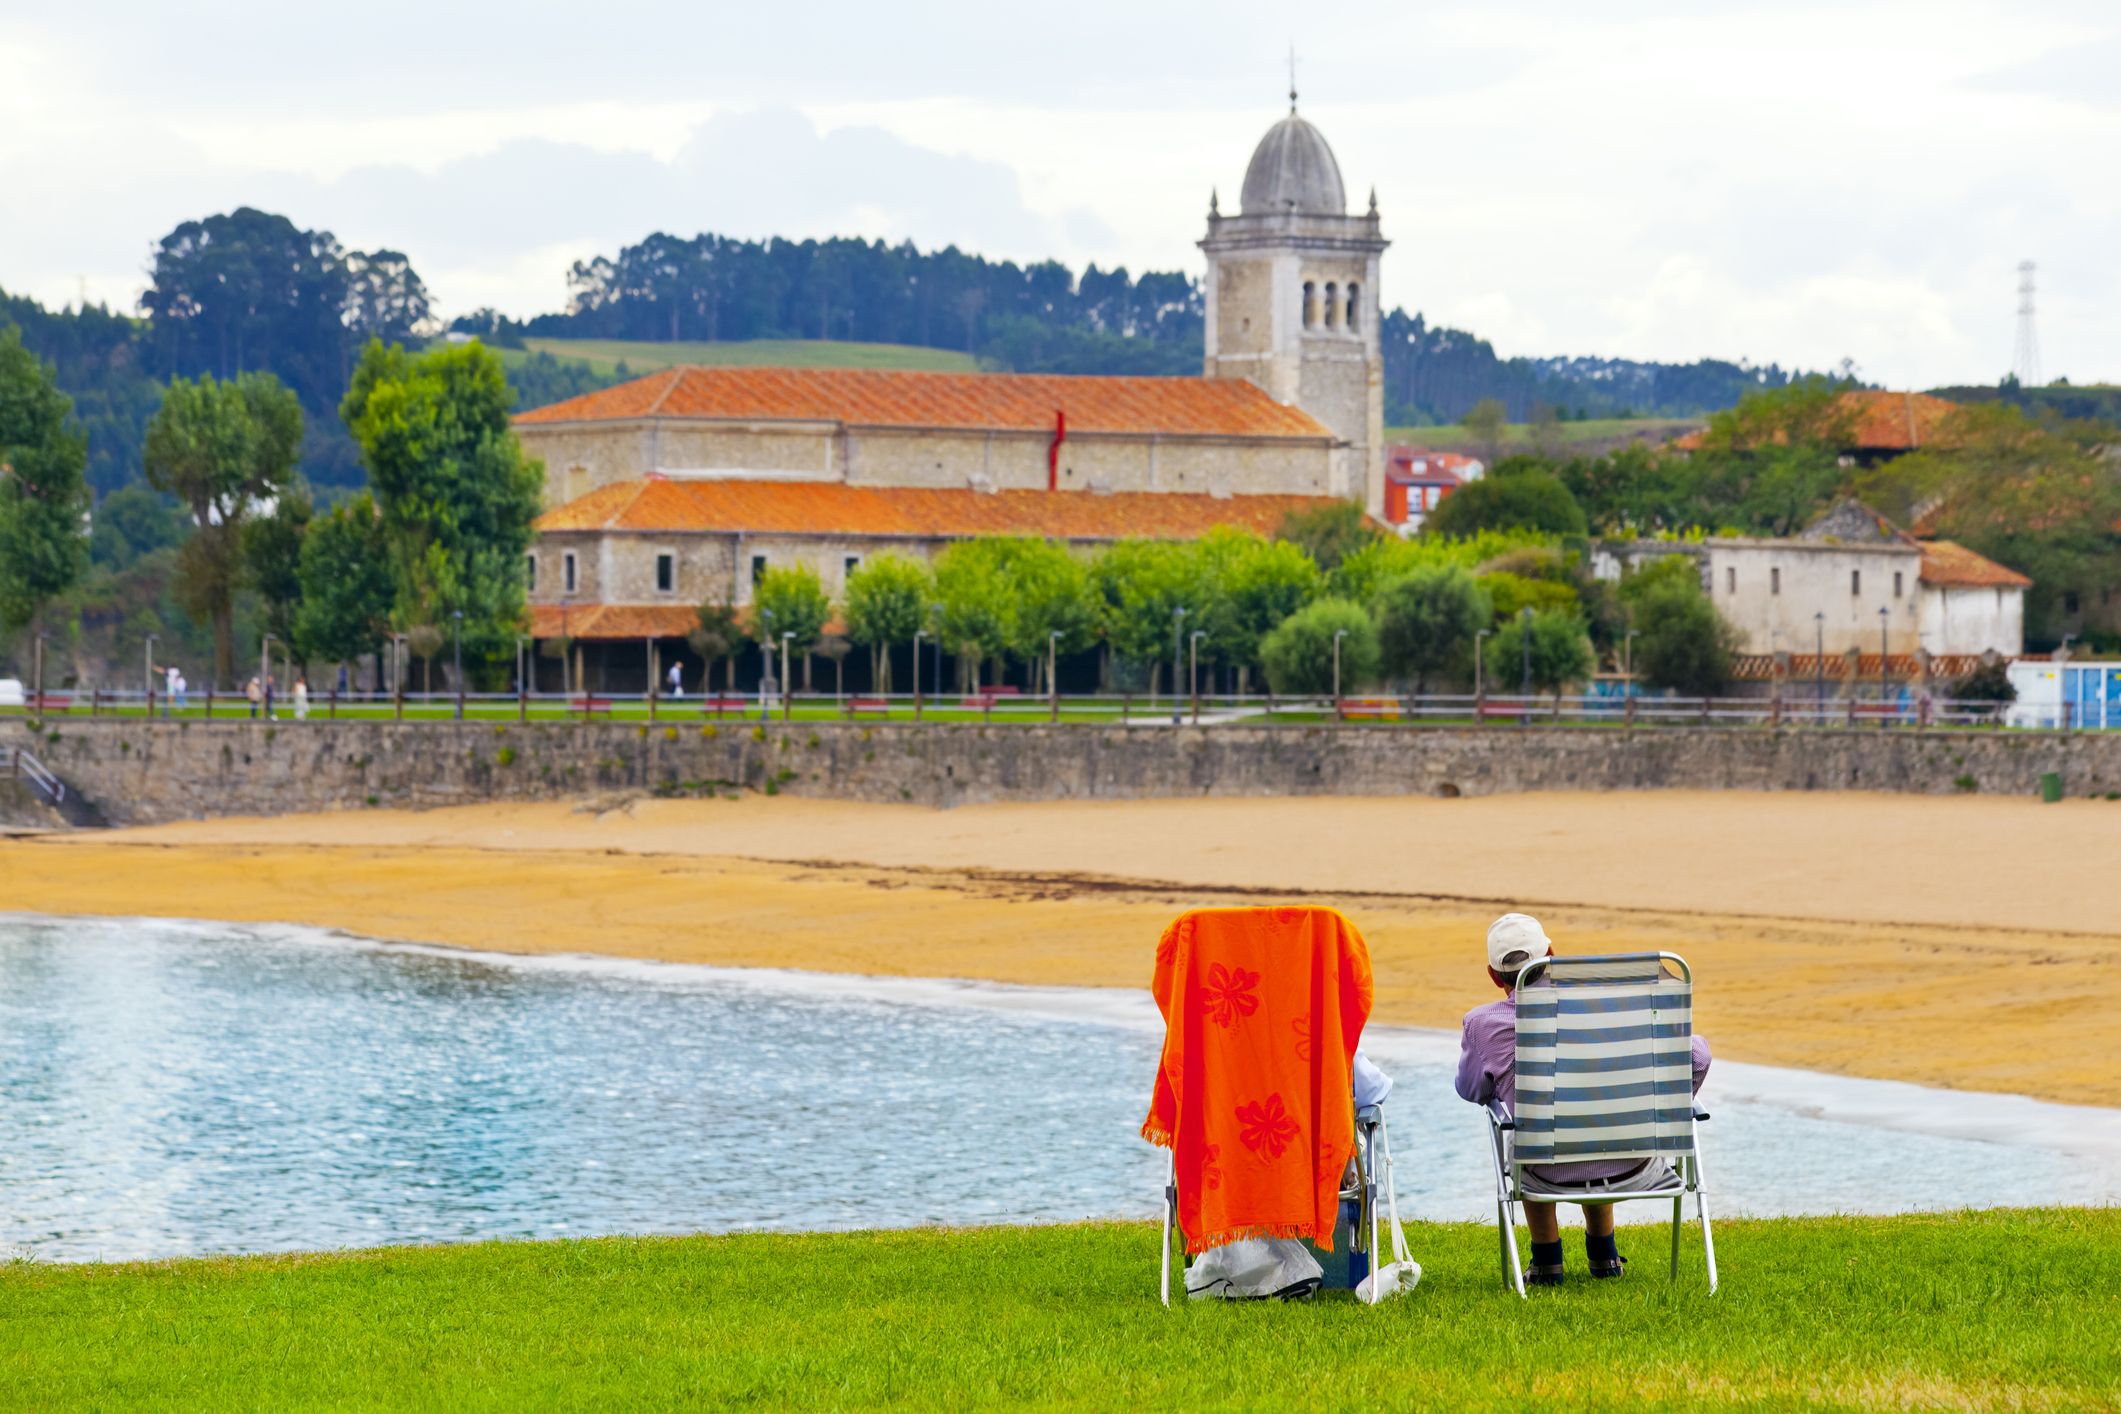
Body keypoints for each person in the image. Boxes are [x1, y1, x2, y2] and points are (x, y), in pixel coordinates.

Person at [1456, 912, 1710, 1287]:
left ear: (1494, 976)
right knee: (1600, 1108)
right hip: (1635, 1162)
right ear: (1552, 955)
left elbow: (1471, 1090)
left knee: (1529, 1131)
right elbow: (1698, 1057)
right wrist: (1665, 1101)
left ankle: (1546, 1263)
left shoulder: (1483, 1024)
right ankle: (1604, 1256)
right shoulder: (1610, 1005)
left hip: (1542, 1173)